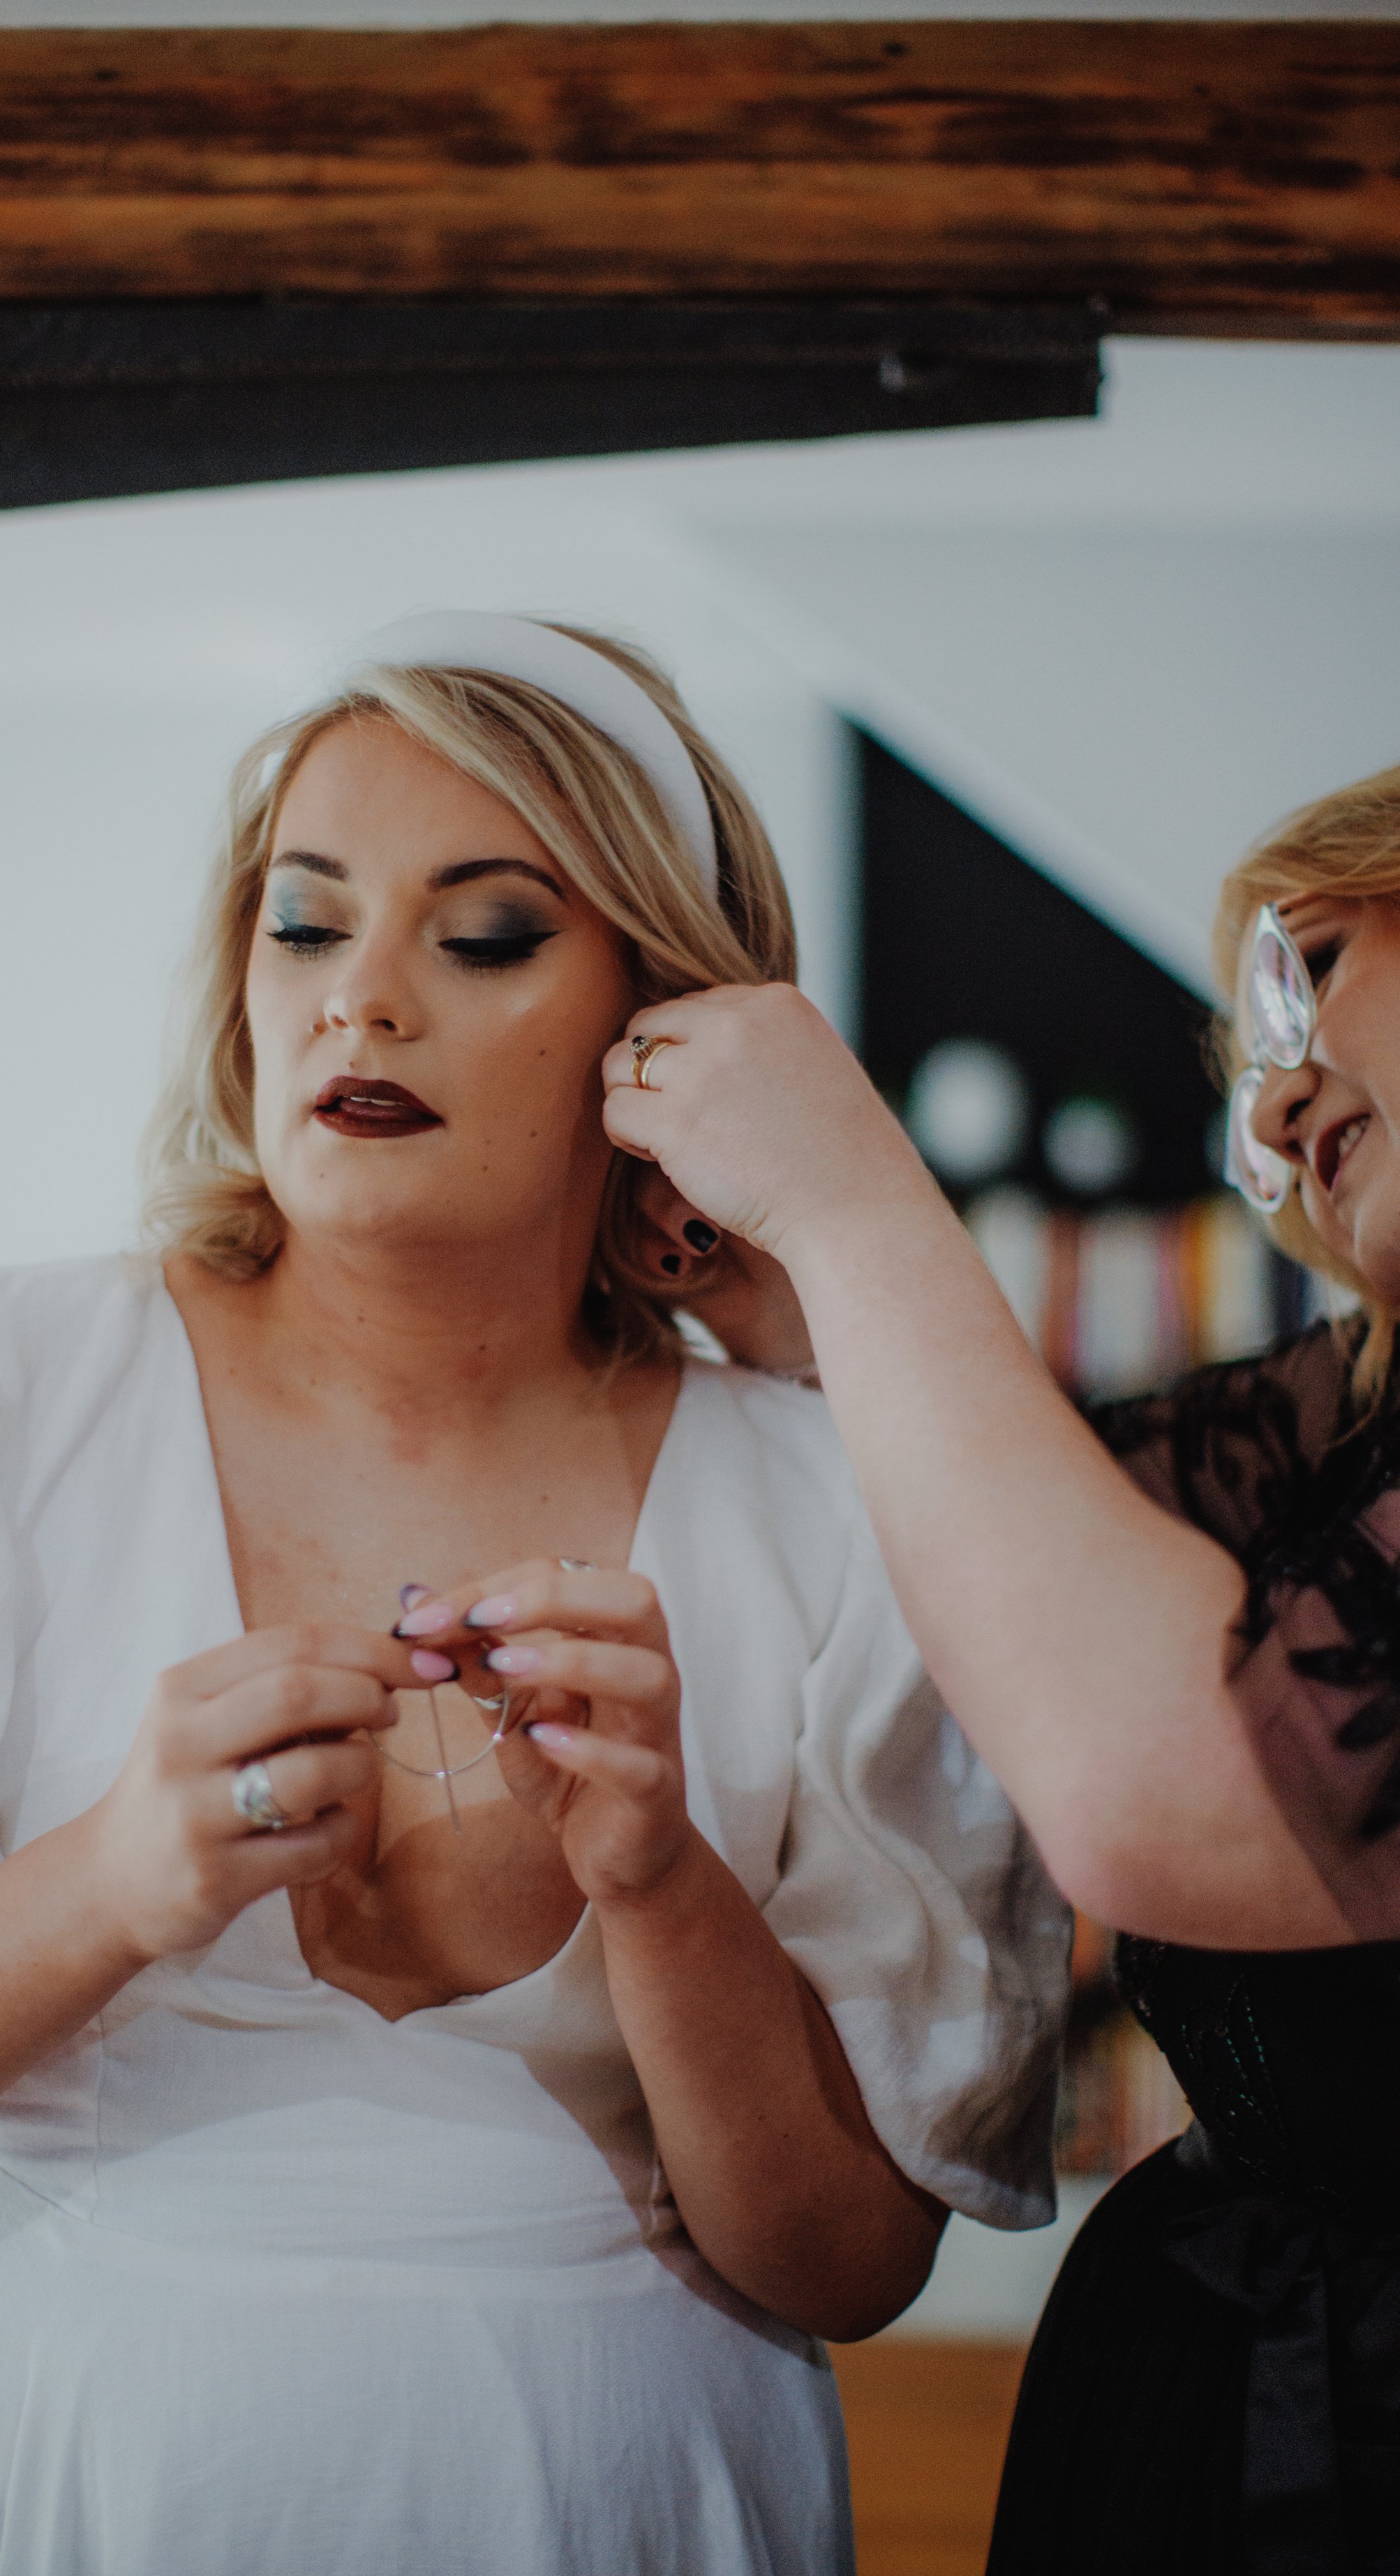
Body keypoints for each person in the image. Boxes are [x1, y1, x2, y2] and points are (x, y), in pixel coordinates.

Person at [0, 613, 1069, 2576]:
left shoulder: (828, 1497)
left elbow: (844, 2266)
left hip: (615, 2504)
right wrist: (118, 1877)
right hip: (45, 2487)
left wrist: (659, 1884)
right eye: (305, 926)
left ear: (656, 1026)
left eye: (482, 935)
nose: (363, 999)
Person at [605, 759, 1400, 2573]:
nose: (1268, 1104)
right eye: (1247, 1050)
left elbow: (1168, 1781)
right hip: (1223, 2394)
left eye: (1309, 973)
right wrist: (813, 1314)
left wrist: (855, 1197)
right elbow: (1058, 1524)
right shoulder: (1339, 1410)